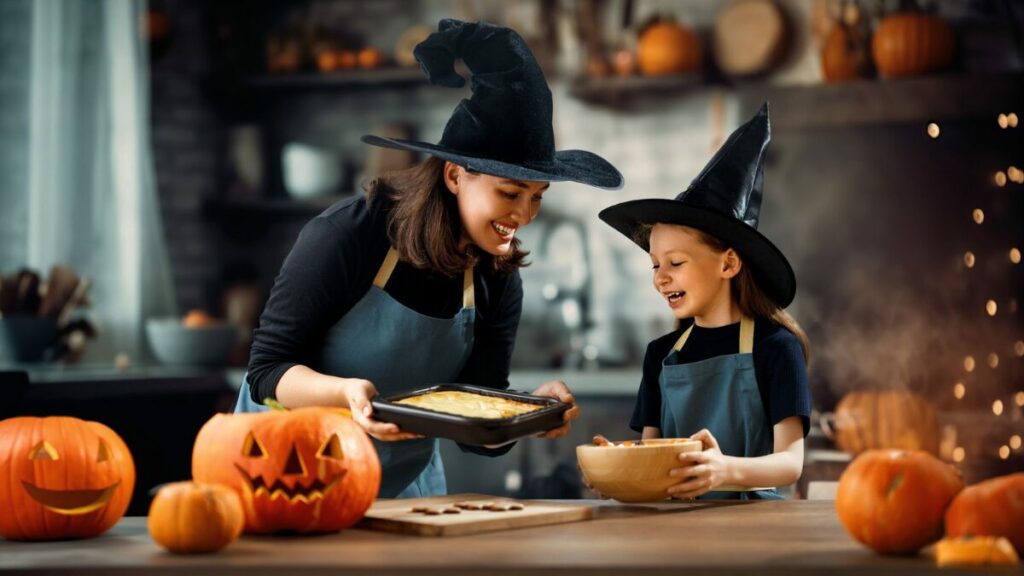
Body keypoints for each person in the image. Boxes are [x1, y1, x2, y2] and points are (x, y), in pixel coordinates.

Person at [235, 19, 624, 499]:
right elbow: (267, 372)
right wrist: (346, 393)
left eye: (537, 197)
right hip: (286, 474)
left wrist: (527, 413)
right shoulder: (348, 235)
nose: (524, 215)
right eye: (510, 192)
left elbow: (477, 431)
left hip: (401, 487)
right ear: (456, 176)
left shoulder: (496, 277)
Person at [597, 104, 810, 500]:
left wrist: (724, 469)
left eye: (676, 262)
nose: (660, 277)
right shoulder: (660, 355)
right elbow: (651, 456)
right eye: (655, 264)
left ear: (728, 262)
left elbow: (790, 463)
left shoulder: (777, 348)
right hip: (676, 534)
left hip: (757, 534)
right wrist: (616, 469)